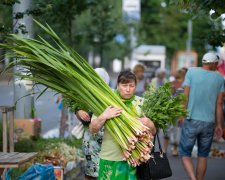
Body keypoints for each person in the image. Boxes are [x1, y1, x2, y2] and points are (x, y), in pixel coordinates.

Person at [89, 70, 156, 180]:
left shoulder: (142, 103)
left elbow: (153, 132)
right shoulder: (105, 102)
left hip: (134, 160)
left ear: (136, 86)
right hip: (109, 158)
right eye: (124, 85)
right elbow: (92, 129)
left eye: (131, 85)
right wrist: (104, 116)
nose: (128, 89)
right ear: (118, 85)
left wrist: (149, 123)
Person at [179, 52, 224, 180]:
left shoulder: (191, 72)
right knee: (203, 155)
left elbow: (185, 96)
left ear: (204, 62)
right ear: (214, 64)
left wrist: (182, 114)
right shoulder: (220, 79)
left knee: (185, 154)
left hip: (191, 119)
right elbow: (219, 103)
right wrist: (219, 124)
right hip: (209, 123)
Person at [76, 68, 110, 180]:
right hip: (90, 142)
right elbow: (77, 108)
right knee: (89, 173)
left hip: (107, 141)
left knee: (106, 173)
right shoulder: (85, 94)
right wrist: (78, 111)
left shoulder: (111, 96)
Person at [163, 67, 187, 155]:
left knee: (167, 130)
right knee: (176, 131)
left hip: (169, 110)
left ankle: (165, 149)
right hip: (178, 111)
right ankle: (174, 150)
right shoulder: (184, 85)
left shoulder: (171, 84)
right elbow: (184, 99)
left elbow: (166, 97)